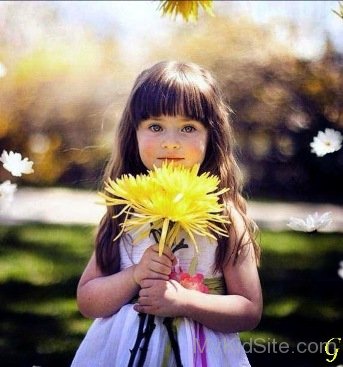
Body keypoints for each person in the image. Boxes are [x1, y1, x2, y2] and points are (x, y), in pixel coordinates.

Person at [71, 60, 262, 367]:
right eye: (155, 127)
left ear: (210, 137)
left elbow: (249, 310)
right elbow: (88, 300)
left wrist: (184, 302)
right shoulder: (125, 210)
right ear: (133, 134)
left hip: (199, 353)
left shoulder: (223, 216)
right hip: (124, 352)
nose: (171, 141)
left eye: (188, 128)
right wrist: (135, 275)